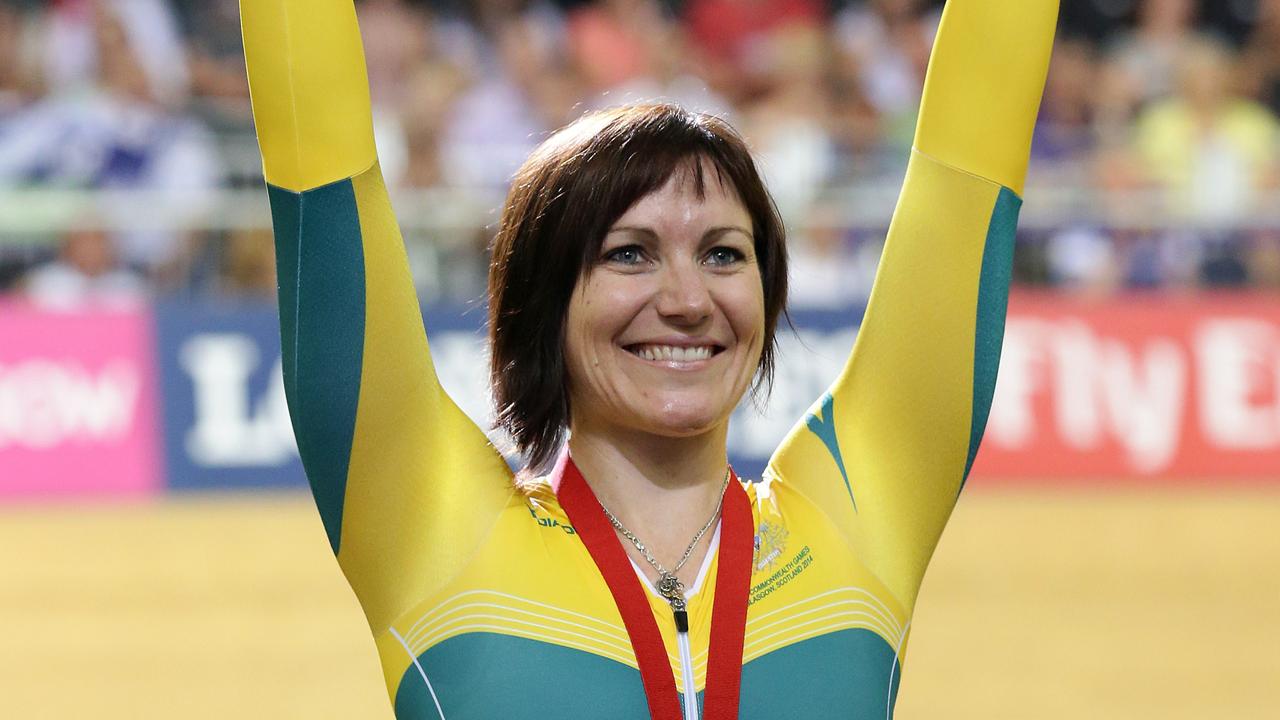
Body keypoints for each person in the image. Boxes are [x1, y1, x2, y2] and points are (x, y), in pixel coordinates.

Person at [241, 0, 1056, 717]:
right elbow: (320, 162)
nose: (688, 299)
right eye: (630, 254)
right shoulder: (430, 526)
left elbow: (968, 169)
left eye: (725, 255)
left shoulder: (858, 514)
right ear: (543, 299)